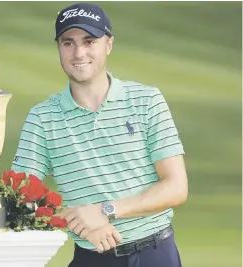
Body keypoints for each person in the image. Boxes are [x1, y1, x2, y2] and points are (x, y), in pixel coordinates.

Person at [11, 3, 188, 267]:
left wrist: (105, 210)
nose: (79, 52)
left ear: (109, 44)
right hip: (91, 258)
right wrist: (81, 221)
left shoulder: (147, 100)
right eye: (68, 43)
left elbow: (176, 187)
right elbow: (20, 199)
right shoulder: (42, 118)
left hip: (156, 253)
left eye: (89, 41)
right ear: (58, 47)